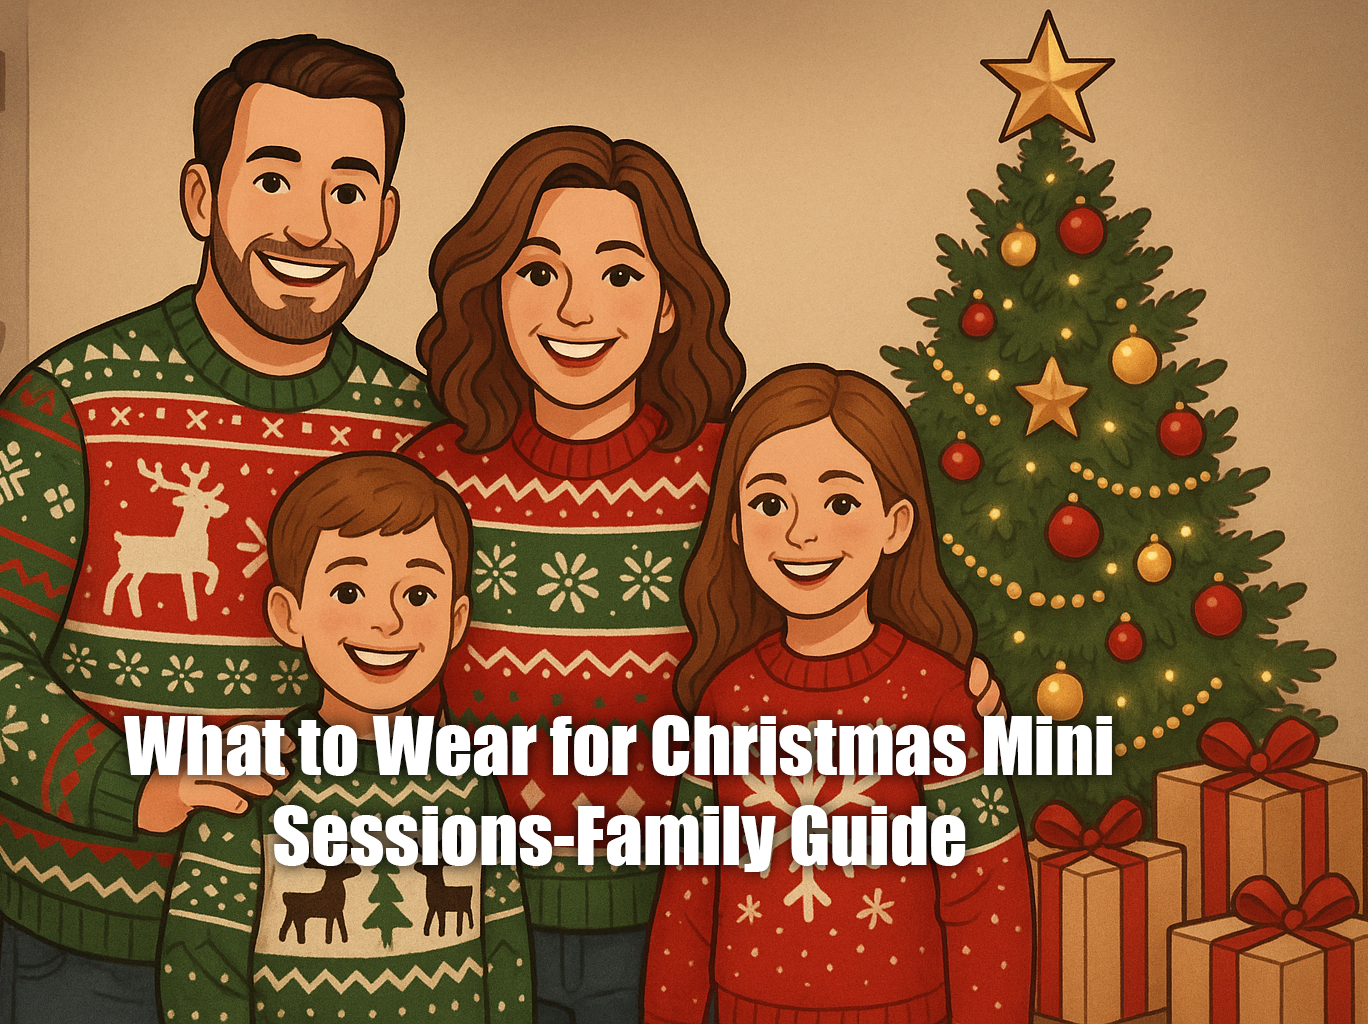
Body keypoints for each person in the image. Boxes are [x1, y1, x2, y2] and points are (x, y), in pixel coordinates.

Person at [407, 128, 1006, 1023]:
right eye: (538, 273)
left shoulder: (741, 474)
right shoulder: (433, 480)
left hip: (691, 928)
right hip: (472, 927)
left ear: (668, 305)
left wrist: (951, 687)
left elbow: (838, 622)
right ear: (490, 293)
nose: (576, 311)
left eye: (618, 274)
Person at [0, 36, 438, 1023]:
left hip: (337, 936)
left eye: (349, 190)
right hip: (91, 935)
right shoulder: (70, 400)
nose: (311, 225)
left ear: (387, 219)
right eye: (273, 178)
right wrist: (129, 787)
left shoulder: (423, 431)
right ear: (202, 196)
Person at [643, 366, 1034, 1024]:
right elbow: (688, 897)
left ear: (895, 523)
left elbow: (987, 896)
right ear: (734, 525)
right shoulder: (726, 699)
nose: (802, 534)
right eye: (770, 504)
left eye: (841, 503)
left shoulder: (938, 698)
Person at [157, 452, 533, 1023]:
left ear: (456, 622)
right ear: (290, 615)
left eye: (418, 595)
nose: (387, 622)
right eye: (350, 593)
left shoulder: (469, 773)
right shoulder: (250, 773)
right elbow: (201, 964)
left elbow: (504, 948)